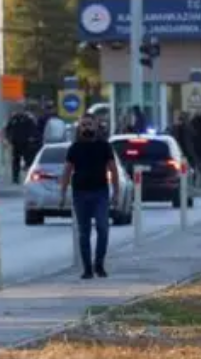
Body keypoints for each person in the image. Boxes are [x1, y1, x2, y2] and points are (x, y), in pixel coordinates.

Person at [60, 118, 120, 280]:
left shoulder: (104, 146)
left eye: (90, 124)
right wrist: (63, 191)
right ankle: (87, 268)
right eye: (83, 125)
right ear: (79, 129)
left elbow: (113, 169)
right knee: (83, 232)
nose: (87, 128)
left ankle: (99, 264)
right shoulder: (74, 148)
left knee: (103, 227)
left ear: (96, 127)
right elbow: (67, 170)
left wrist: (116, 192)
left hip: (100, 192)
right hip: (80, 193)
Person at [5, 108, 36, 183]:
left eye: (20, 110)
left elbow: (33, 128)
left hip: (26, 143)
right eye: (18, 110)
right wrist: (8, 138)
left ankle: (30, 177)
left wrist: (31, 137)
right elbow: (8, 129)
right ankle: (15, 178)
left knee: (28, 161)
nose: (19, 111)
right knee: (16, 161)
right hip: (16, 143)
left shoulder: (27, 119)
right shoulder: (13, 119)